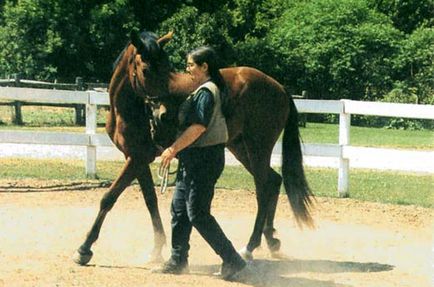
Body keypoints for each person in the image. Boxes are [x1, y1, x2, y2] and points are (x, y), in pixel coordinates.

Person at [155, 46, 246, 280]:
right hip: (193, 159)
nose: (188, 70)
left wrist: (173, 149)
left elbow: (198, 127)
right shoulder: (203, 91)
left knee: (198, 214)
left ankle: (233, 260)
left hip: (205, 159)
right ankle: (178, 259)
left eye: (191, 65)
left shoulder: (206, 92)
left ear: (204, 67)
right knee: (179, 209)